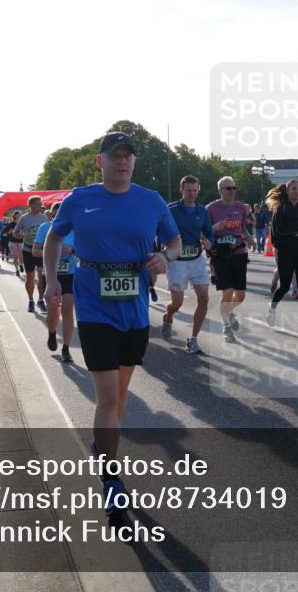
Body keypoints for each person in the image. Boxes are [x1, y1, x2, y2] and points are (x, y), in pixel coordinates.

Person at [42, 132, 180, 516]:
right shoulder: (80, 199)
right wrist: (52, 279)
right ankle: (110, 478)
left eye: (128, 157)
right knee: (106, 398)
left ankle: (102, 447)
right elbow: (54, 238)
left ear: (134, 163)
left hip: (134, 311)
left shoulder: (150, 201)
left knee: (118, 397)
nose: (122, 162)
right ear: (100, 162)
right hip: (93, 307)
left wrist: (164, 258)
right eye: (114, 156)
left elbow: (175, 241)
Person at [162, 175, 215, 354]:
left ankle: (193, 339)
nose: (192, 194)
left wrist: (210, 242)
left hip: (196, 259)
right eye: (188, 190)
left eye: (195, 190)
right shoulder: (171, 210)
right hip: (177, 261)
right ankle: (169, 315)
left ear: (198, 190)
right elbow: (158, 230)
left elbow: (210, 232)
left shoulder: (202, 211)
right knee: (177, 303)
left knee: (204, 297)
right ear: (181, 191)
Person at [207, 176, 255, 343]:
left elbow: (242, 229)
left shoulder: (241, 207)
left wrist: (249, 238)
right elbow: (205, 232)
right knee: (227, 292)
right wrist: (216, 227)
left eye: (234, 188)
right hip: (220, 254)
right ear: (220, 190)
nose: (232, 191)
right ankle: (226, 327)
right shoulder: (211, 209)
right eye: (229, 188)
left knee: (240, 295)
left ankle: (227, 311)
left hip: (239, 253)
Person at [265, 180, 298, 336]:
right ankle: (271, 309)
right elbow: (277, 233)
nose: (297, 191)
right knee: (285, 286)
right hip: (286, 252)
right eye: (293, 188)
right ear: (287, 191)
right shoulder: (281, 210)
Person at [34, 202, 76, 363]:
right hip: (51, 274)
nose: (61, 217)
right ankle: (52, 332)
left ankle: (66, 348)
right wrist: (54, 250)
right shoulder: (45, 228)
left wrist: (70, 251)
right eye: (56, 214)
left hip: (70, 273)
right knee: (53, 311)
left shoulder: (75, 229)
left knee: (67, 309)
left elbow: (81, 251)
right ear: (52, 215)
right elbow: (35, 250)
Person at [13, 197, 48, 313]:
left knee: (42, 276)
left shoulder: (44, 217)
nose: (41, 205)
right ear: (32, 205)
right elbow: (15, 233)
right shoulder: (24, 218)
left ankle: (41, 300)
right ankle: (31, 300)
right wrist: (24, 236)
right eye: (39, 204)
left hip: (40, 251)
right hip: (28, 250)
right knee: (30, 277)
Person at [7, 211, 24, 277]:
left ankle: (20, 265)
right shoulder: (11, 224)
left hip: (20, 241)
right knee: (15, 256)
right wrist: (10, 231)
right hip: (13, 241)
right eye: (19, 214)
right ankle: (17, 270)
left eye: (21, 215)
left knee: (21, 257)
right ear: (15, 216)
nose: (20, 216)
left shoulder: (22, 223)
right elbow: (5, 233)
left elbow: (25, 232)